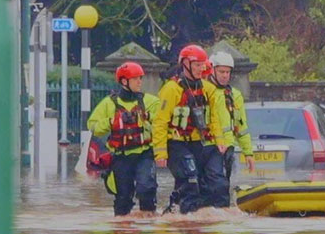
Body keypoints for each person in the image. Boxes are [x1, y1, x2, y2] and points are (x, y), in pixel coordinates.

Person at [153, 44, 229, 214]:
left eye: (203, 65)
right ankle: (186, 220)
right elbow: (160, 122)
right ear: (185, 64)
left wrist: (220, 140)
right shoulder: (171, 89)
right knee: (190, 179)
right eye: (197, 65)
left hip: (201, 143)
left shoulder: (208, 89)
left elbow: (214, 118)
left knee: (216, 183)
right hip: (178, 143)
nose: (201, 69)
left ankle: (211, 217)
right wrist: (160, 153)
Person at [87, 62, 161, 216]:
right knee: (123, 197)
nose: (140, 82)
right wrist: (111, 122)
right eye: (135, 79)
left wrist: (147, 117)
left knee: (147, 188)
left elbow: (162, 119)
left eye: (140, 78)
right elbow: (92, 125)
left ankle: (148, 222)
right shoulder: (109, 103)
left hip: (144, 154)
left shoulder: (150, 101)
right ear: (124, 81)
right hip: (121, 156)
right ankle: (123, 232)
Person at [208, 52, 254, 199]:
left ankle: (222, 214)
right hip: (209, 146)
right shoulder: (206, 92)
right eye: (221, 71)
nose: (225, 75)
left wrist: (248, 152)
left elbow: (241, 126)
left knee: (224, 184)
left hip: (228, 147)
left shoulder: (235, 95)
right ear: (212, 70)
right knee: (214, 185)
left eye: (228, 72)